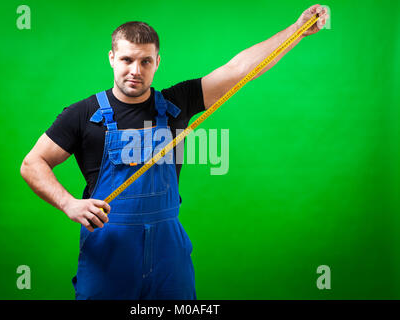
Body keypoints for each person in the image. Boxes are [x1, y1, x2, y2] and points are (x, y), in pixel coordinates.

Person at [20, 4, 329, 300]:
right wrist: (68, 204)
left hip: (168, 256)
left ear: (157, 62)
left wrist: (298, 30)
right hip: (109, 253)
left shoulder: (178, 104)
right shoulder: (82, 114)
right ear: (112, 58)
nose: (135, 70)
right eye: (127, 60)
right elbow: (33, 163)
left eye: (145, 61)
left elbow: (239, 69)